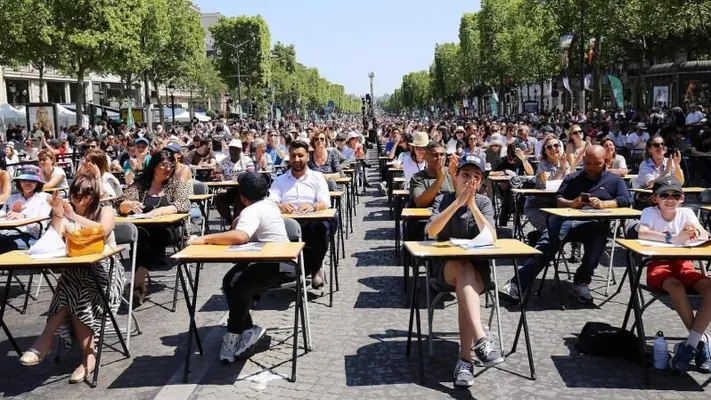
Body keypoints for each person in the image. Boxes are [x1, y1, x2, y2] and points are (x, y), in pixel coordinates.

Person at [19, 174, 124, 383]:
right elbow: (54, 240)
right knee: (77, 283)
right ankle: (88, 357)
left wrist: (72, 216)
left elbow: (102, 231)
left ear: (94, 195)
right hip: (79, 277)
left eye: (86, 195)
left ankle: (46, 339)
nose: (80, 199)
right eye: (76, 195)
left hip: (107, 273)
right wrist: (58, 215)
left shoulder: (106, 211)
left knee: (74, 279)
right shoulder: (68, 214)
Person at [503, 146, 632, 304]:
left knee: (599, 239)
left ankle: (581, 282)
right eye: (588, 163)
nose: (591, 168)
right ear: (583, 161)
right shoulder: (573, 178)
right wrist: (572, 203)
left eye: (597, 164)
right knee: (547, 242)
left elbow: (626, 200)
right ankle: (517, 283)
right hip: (566, 220)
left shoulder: (614, 180)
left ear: (606, 161)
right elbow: (558, 198)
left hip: (593, 224)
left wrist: (605, 204)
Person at [188, 172, 295, 363]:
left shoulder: (252, 210)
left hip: (281, 265)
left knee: (239, 283)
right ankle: (248, 329)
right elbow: (242, 228)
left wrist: (204, 238)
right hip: (274, 262)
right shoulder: (268, 204)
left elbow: (240, 236)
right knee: (230, 280)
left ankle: (234, 332)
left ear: (242, 197)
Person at [424, 154, 502, 388]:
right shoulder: (443, 198)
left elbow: (492, 236)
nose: (470, 181)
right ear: (455, 176)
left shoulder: (484, 202)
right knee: (461, 269)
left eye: (476, 177)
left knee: (466, 279)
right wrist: (457, 204)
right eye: (466, 175)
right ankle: (480, 341)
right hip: (445, 267)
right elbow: (431, 231)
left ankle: (465, 361)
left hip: (477, 272)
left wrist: (473, 206)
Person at [635, 177, 711, 374]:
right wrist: (671, 237)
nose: (670, 199)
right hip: (658, 266)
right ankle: (702, 342)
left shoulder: (686, 212)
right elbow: (642, 233)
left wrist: (695, 231)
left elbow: (703, 234)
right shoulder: (649, 212)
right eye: (665, 195)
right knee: (676, 287)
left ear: (682, 198)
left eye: (675, 195)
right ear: (655, 199)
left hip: (684, 264)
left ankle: (691, 344)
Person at [116, 150, 190, 304]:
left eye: (170, 166)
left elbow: (184, 204)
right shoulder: (141, 185)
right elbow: (119, 203)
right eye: (163, 165)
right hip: (145, 230)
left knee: (157, 233)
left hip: (171, 229)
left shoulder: (175, 185)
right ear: (154, 167)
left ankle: (138, 279)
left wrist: (162, 210)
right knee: (140, 235)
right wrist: (127, 205)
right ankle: (139, 285)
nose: (167, 169)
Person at [269, 141, 331, 288]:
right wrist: (281, 205)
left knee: (322, 227)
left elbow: (325, 202)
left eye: (300, 156)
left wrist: (312, 206)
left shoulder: (317, 177)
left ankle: (316, 268)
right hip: (286, 224)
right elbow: (271, 201)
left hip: (311, 222)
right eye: (293, 156)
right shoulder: (280, 180)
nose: (296, 160)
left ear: (308, 157)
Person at [523, 134, 571, 233]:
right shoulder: (542, 164)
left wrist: (564, 167)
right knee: (551, 230)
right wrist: (561, 169)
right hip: (538, 205)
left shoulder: (564, 163)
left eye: (556, 146)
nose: (553, 149)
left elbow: (567, 184)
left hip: (556, 203)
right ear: (545, 151)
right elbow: (550, 185)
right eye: (549, 147)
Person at [0, 166, 51, 253]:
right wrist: (9, 214)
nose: (27, 183)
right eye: (24, 180)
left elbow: (40, 226)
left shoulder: (45, 198)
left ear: (38, 183)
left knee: (4, 241)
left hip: (30, 237)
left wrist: (23, 217)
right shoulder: (12, 198)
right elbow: (2, 214)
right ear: (19, 182)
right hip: (7, 232)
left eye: (32, 181)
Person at [489, 145, 534, 226]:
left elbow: (531, 173)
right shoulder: (500, 161)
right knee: (509, 189)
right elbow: (489, 173)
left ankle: (504, 220)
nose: (512, 161)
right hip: (502, 188)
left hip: (517, 190)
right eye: (510, 158)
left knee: (510, 192)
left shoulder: (520, 161)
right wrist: (503, 172)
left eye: (514, 159)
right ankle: (515, 219)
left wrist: (523, 159)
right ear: (507, 154)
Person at [214, 139, 256, 224]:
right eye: (231, 148)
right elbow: (217, 172)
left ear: (240, 150)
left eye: (236, 149)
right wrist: (219, 175)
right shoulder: (224, 162)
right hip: (229, 189)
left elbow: (251, 175)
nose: (233, 151)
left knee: (239, 198)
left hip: (243, 189)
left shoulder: (247, 160)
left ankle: (236, 223)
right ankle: (230, 221)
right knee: (218, 198)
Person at [409, 141, 456, 208]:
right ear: (425, 157)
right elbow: (420, 203)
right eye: (434, 155)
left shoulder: (451, 172)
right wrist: (440, 179)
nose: (439, 158)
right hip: (428, 216)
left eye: (442, 154)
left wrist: (454, 176)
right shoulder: (418, 178)